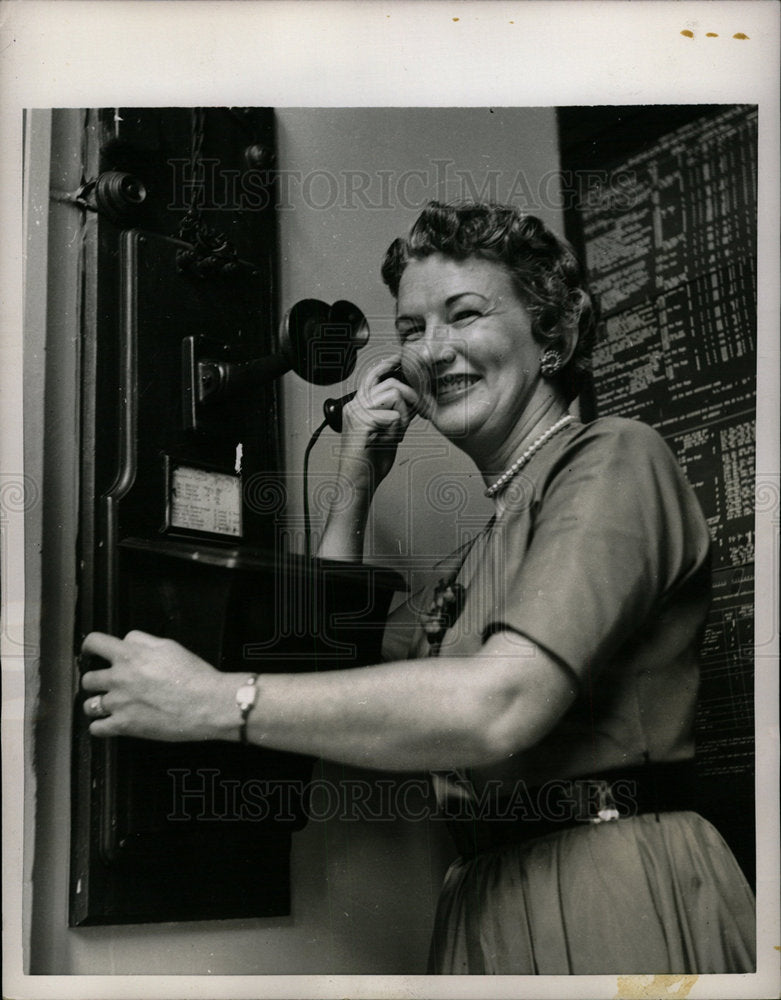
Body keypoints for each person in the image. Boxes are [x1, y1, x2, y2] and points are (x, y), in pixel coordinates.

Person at [81, 201, 756, 974]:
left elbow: (498, 704)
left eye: (462, 315)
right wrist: (357, 478)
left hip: (612, 885)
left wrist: (214, 700)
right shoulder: (478, 557)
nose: (432, 352)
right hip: (485, 897)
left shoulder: (616, 458)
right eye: (409, 330)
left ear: (552, 336)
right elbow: (316, 668)